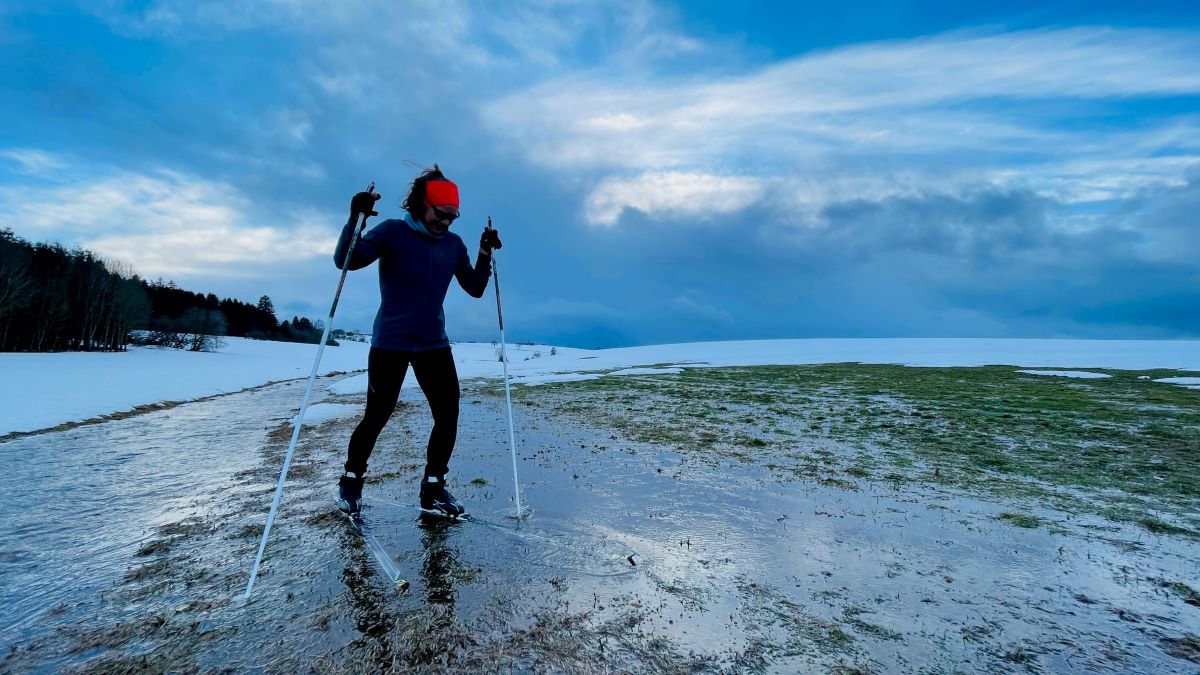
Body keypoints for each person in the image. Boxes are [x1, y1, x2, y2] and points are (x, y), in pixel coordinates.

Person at [332, 165, 502, 517]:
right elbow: (346, 260)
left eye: (453, 217)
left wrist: (485, 253)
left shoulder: (453, 245)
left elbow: (474, 287)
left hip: (433, 344)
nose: (446, 222)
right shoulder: (393, 232)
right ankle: (351, 480)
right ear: (422, 205)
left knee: (448, 415)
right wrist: (355, 218)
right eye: (441, 214)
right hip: (390, 343)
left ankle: (434, 487)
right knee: (377, 415)